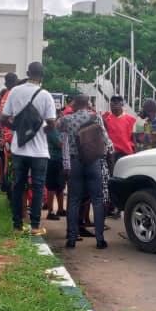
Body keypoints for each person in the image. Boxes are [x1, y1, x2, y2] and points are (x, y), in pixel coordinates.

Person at [2, 62, 57, 236]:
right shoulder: (46, 95)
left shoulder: (15, 92)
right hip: (39, 151)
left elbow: (4, 118)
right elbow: (52, 123)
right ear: (42, 76)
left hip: (18, 149)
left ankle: (17, 226)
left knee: (18, 186)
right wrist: (41, 130)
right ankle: (34, 226)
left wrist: (18, 128)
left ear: (27, 73)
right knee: (38, 187)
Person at [59, 95, 114, 249]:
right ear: (88, 104)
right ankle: (100, 239)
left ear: (75, 104)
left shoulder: (66, 120)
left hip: (75, 162)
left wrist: (65, 164)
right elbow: (107, 141)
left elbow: (62, 140)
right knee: (97, 200)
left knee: (74, 200)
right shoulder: (96, 118)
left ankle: (71, 238)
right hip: (93, 162)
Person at [44, 109, 66, 221]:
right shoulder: (51, 130)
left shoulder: (56, 129)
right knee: (52, 186)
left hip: (59, 160)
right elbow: (60, 144)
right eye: (59, 116)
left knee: (60, 186)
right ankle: (50, 211)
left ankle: (61, 209)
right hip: (52, 160)